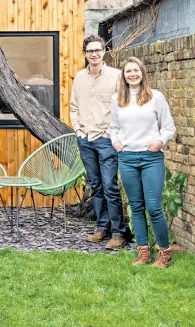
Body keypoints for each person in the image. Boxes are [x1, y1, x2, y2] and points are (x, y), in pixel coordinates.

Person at [110, 57, 176, 267]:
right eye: (128, 71)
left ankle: (164, 254)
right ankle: (143, 253)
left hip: (151, 159)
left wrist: (160, 141)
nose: (132, 74)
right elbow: (113, 127)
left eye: (136, 71)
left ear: (142, 73)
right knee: (136, 207)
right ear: (124, 76)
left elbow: (168, 127)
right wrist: (116, 142)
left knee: (154, 207)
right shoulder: (117, 99)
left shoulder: (156, 97)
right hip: (127, 158)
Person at [70, 34, 127, 250]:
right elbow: (74, 106)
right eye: (90, 51)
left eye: (98, 50)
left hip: (106, 140)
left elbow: (122, 106)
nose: (94, 54)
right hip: (85, 139)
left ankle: (118, 233)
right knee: (95, 185)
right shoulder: (79, 77)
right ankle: (102, 227)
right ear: (85, 54)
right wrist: (77, 129)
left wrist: (111, 132)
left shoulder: (116, 76)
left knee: (110, 185)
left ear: (104, 51)